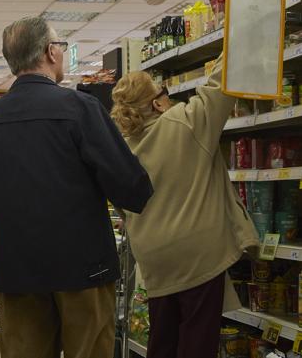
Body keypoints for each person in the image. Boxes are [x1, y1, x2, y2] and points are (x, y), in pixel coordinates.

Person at [0, 16, 154, 358]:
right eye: (60, 47)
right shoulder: (81, 109)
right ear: (51, 52)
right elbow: (130, 185)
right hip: (84, 268)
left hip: (17, 270)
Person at [111, 57, 259, 358]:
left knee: (163, 339)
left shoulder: (121, 151)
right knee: (197, 340)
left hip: (153, 257)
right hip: (197, 256)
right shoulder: (186, 122)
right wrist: (234, 35)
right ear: (156, 103)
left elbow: (122, 204)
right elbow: (220, 85)